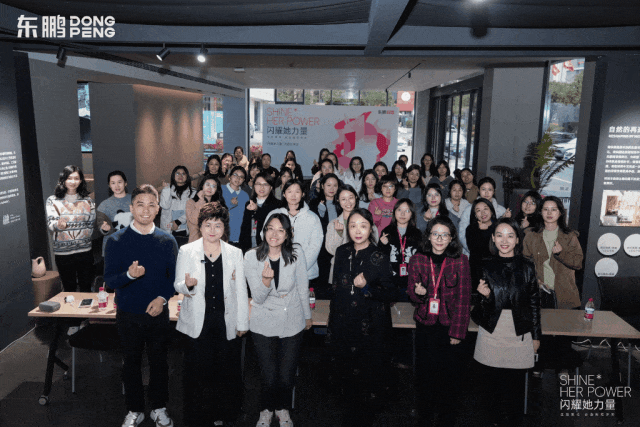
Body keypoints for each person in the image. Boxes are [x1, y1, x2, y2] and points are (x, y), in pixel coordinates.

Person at [104, 184, 178, 427]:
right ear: (131, 208)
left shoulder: (167, 241)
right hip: (128, 314)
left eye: (151, 205)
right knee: (131, 363)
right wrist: (129, 275)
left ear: (158, 209)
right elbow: (110, 281)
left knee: (159, 363)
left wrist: (162, 299)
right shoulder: (116, 240)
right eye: (140, 204)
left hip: (158, 314)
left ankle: (159, 407)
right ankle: (134, 409)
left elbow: (173, 280)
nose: (145, 210)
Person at [174, 203, 248, 427]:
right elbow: (178, 284)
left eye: (218, 225)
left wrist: (242, 323)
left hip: (226, 320)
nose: (213, 230)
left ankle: (222, 415)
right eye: (208, 225)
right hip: (198, 322)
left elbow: (241, 291)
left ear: (225, 228)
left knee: (225, 371)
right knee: (198, 372)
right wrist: (187, 285)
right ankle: (199, 417)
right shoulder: (187, 251)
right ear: (200, 227)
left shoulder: (235, 253)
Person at [327, 208, 396, 427]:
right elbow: (336, 288)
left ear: (371, 229)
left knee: (367, 379)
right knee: (346, 377)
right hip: (344, 321)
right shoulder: (341, 251)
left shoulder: (379, 256)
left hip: (369, 326)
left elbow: (390, 293)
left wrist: (367, 288)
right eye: (353, 226)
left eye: (363, 226)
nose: (358, 231)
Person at [245, 214, 312, 427]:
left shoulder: (296, 254)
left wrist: (307, 316)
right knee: (268, 374)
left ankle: (282, 409)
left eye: (280, 230)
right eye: (270, 228)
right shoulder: (251, 256)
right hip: (263, 320)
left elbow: (302, 287)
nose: (274, 234)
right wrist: (265, 282)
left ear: (287, 234)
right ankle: (266, 410)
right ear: (264, 231)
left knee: (286, 374)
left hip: (292, 319)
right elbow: (257, 298)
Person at [472, 218, 541, 426]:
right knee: (490, 389)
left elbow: (534, 304)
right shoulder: (485, 265)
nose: (504, 240)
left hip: (519, 331)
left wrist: (536, 336)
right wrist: (484, 297)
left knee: (515, 389)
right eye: (499, 235)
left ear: (517, 239)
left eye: (510, 235)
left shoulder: (527, 266)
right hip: (492, 330)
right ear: (493, 238)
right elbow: (478, 313)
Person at [407, 216, 471, 426]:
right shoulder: (417, 259)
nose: (440, 239)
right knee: (424, 375)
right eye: (435, 234)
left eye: (445, 235)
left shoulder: (460, 260)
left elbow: (464, 298)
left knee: (449, 377)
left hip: (449, 327)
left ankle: (447, 418)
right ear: (428, 236)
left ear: (451, 238)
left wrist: (457, 333)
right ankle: (424, 415)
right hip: (425, 326)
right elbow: (412, 295)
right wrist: (419, 293)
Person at [523, 196, 583, 373]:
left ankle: (561, 372)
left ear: (560, 213)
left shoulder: (570, 236)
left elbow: (578, 263)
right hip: (540, 294)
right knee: (541, 339)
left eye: (554, 209)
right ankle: (538, 371)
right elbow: (524, 263)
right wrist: (535, 280)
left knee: (563, 341)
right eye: (545, 209)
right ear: (540, 212)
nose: (549, 213)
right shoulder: (531, 235)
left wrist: (561, 253)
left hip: (564, 295)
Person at [263, 180, 323, 285]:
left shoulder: (313, 218)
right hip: (279, 271)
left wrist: (300, 268)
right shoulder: (275, 214)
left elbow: (315, 246)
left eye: (297, 191)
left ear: (303, 194)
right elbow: (265, 236)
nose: (293, 195)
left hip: (306, 273)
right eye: (289, 191)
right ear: (284, 194)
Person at [46, 165, 96, 292]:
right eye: (69, 178)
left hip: (85, 251)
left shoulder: (88, 201)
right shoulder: (53, 200)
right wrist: (58, 225)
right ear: (63, 180)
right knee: (69, 289)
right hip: (63, 253)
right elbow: (51, 223)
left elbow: (91, 225)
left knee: (86, 288)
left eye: (76, 178)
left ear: (81, 181)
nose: (73, 182)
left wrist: (83, 238)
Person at [325, 185, 378, 291]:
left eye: (351, 198)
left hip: (363, 269)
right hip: (341, 270)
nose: (348, 202)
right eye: (343, 199)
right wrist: (339, 235)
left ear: (356, 197)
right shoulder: (333, 224)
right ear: (338, 200)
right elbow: (331, 250)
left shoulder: (366, 219)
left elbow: (375, 242)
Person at [379, 199, 421, 301]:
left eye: (407, 211)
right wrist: (383, 245)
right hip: (391, 280)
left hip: (411, 280)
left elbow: (421, 259)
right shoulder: (387, 231)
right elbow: (380, 258)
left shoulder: (417, 234)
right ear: (394, 212)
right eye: (399, 210)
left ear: (412, 214)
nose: (402, 214)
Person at [309, 173, 341, 299]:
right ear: (322, 186)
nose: (332, 188)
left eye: (335, 185)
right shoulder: (314, 203)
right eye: (328, 185)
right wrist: (320, 211)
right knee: (322, 278)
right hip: (320, 246)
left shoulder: (341, 203)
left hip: (337, 244)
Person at [458, 176, 510, 254]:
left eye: (490, 189)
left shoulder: (502, 210)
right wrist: (473, 251)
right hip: (474, 253)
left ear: (494, 191)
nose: (486, 193)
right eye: (483, 189)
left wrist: (506, 220)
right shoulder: (469, 209)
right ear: (478, 190)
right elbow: (462, 233)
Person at [239, 172, 280, 252]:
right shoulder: (249, 203)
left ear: (271, 187)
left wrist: (257, 210)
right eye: (258, 184)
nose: (262, 187)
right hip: (249, 246)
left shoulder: (277, 205)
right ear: (254, 186)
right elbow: (244, 228)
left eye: (265, 184)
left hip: (268, 247)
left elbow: (269, 223)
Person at [466, 198, 498, 296]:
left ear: (491, 211)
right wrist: (482, 232)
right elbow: (475, 250)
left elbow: (495, 250)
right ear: (475, 215)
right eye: (478, 210)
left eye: (485, 209)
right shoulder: (471, 229)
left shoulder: (499, 227)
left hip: (496, 270)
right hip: (477, 272)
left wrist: (486, 231)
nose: (483, 213)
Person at [97, 170, 133, 254]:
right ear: (109, 185)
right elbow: (100, 224)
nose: (117, 186)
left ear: (125, 183)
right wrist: (105, 229)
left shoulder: (136, 200)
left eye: (119, 182)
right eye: (113, 183)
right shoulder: (104, 205)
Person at [160, 165, 194, 247]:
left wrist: (178, 221)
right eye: (178, 173)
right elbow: (165, 206)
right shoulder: (167, 190)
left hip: (185, 230)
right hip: (168, 230)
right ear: (173, 176)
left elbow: (192, 211)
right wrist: (166, 189)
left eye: (183, 174)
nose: (180, 176)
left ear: (187, 176)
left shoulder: (193, 193)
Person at [186, 175, 226, 242]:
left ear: (216, 190)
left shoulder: (218, 206)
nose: (210, 188)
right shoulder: (191, 202)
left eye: (213, 186)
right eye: (207, 185)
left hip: (214, 243)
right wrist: (201, 200)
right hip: (196, 242)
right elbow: (195, 221)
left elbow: (222, 228)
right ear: (202, 186)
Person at [221, 166, 250, 246]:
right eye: (235, 175)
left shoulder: (245, 195)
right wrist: (230, 204)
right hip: (222, 235)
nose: (238, 178)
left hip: (239, 236)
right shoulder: (221, 190)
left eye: (241, 177)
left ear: (243, 180)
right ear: (229, 177)